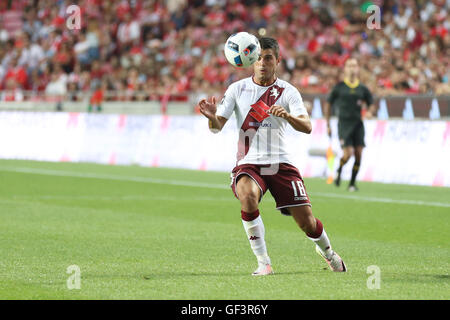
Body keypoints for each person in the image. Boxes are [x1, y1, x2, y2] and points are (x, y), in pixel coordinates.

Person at [197, 37, 346, 276]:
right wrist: (212, 118)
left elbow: (307, 127)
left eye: (268, 58)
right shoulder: (237, 89)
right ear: (250, 61)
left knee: (307, 223)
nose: (262, 63)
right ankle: (263, 262)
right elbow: (216, 128)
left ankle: (328, 252)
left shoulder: (288, 91)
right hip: (249, 163)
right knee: (247, 196)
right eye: (258, 58)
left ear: (277, 60)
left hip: (280, 162)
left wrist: (287, 116)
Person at [324, 58, 376, 191]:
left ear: (358, 68)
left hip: (358, 125)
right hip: (344, 125)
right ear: (345, 69)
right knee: (348, 154)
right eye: (349, 66)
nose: (352, 68)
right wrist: (328, 124)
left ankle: (352, 183)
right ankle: (340, 169)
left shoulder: (362, 88)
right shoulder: (339, 87)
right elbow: (328, 104)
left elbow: (371, 104)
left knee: (358, 154)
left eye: (354, 66)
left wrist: (369, 112)